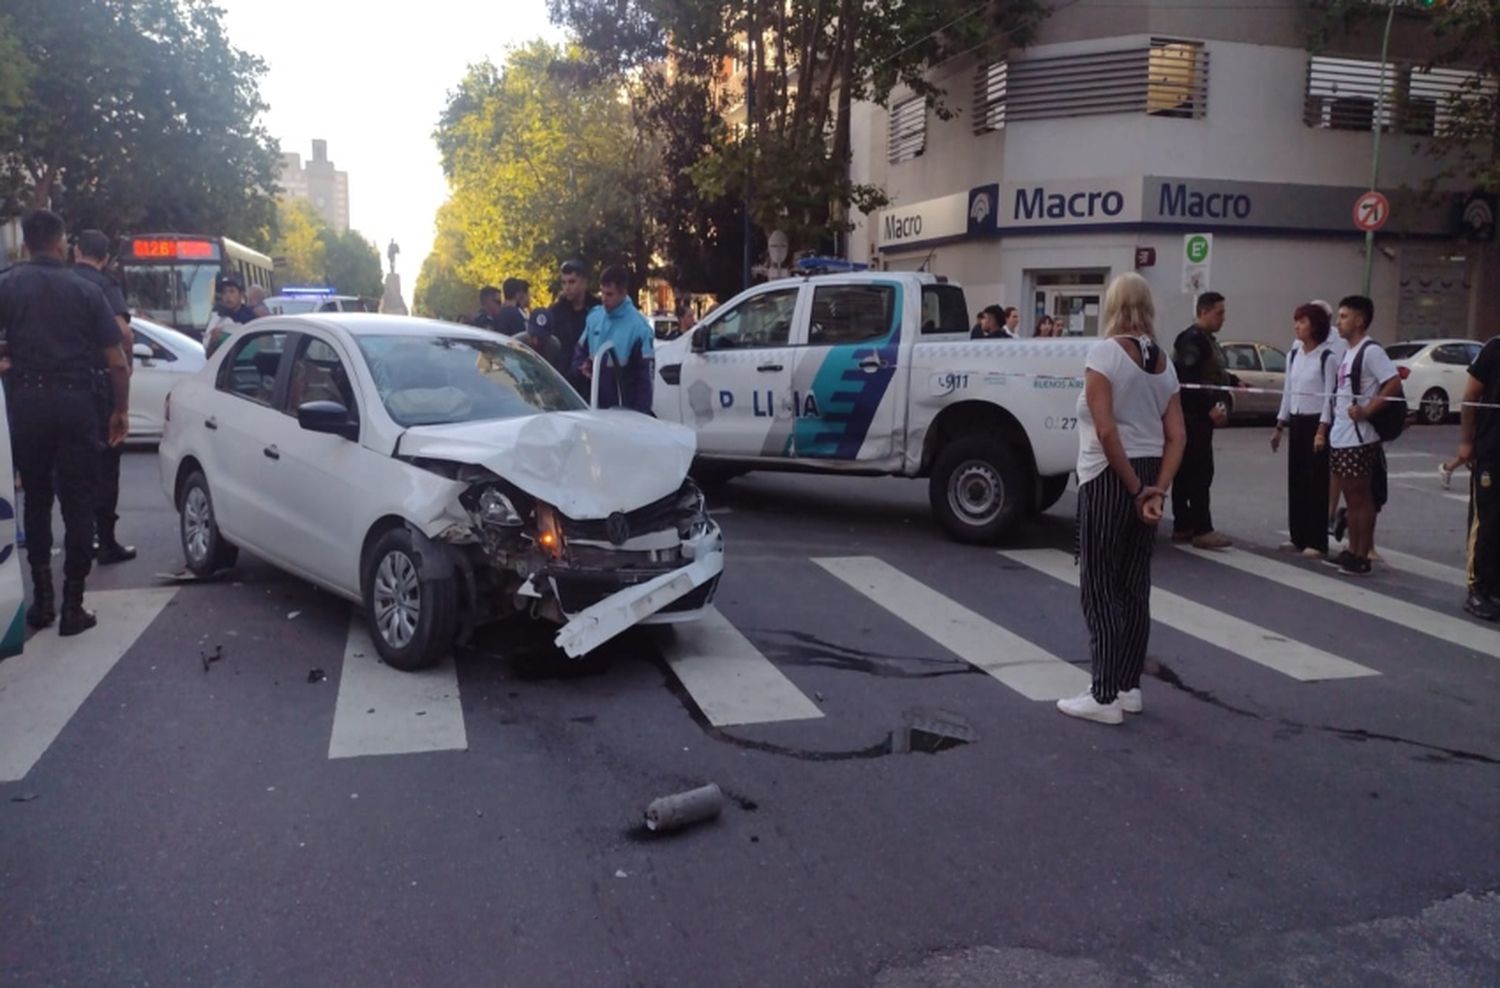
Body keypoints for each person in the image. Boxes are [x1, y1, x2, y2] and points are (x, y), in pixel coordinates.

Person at [1059, 272, 1185, 725]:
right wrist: (1157, 489)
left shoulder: (1105, 352)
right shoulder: (1163, 362)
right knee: (1134, 586)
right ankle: (1129, 686)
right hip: (1150, 471)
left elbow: (1106, 428)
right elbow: (1177, 436)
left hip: (1110, 476)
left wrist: (1134, 487)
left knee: (1099, 586)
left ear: (1112, 305)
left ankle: (1103, 693)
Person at [0, 210, 129, 636]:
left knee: (36, 499)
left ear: (25, 243)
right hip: (76, 403)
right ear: (61, 244)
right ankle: (74, 605)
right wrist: (119, 411)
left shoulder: (8, 285)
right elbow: (117, 362)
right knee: (78, 503)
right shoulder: (86, 290)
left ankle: (43, 601)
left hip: (28, 403)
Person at [71, 229, 138, 564]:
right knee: (106, 463)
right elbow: (123, 332)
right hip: (98, 386)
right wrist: (125, 364)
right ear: (105, 257)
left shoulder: (63, 281)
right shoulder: (105, 285)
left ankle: (80, 540)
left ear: (76, 251)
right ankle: (106, 540)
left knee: (69, 469)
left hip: (60, 387)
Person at [1326, 294, 1401, 578]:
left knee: (1360, 499)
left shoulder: (1370, 351)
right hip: (1344, 435)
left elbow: (1392, 383)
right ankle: (1352, 549)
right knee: (1352, 495)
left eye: (1344, 316)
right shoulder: (1350, 352)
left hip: (1359, 437)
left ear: (1359, 320)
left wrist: (1369, 409)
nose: (1339, 322)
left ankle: (1360, 554)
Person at [1270, 303, 1339, 559]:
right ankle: (1297, 535)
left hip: (1316, 423)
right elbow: (1289, 392)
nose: (1297, 326)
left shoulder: (1327, 357)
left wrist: (1322, 430)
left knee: (1316, 482)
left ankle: (1316, 539)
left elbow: (1328, 397)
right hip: (1297, 421)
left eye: (1303, 322)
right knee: (1297, 478)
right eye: (1296, 321)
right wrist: (1280, 425)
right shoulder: (1294, 355)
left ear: (1316, 326)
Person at [1172, 291, 1236, 549]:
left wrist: (1236, 382)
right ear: (1204, 311)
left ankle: (1184, 524)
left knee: (1187, 471)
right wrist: (1209, 407)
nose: (1223, 318)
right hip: (1193, 416)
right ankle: (1201, 528)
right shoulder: (1192, 340)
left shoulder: (1206, 340)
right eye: (1219, 312)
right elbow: (1188, 379)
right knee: (1198, 472)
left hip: (1196, 415)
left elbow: (1215, 373)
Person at [1450, 334, 1500, 620]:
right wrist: (1466, 443)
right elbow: (1470, 397)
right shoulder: (1494, 349)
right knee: (1487, 521)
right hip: (1491, 450)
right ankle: (1477, 588)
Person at [575, 265, 654, 414]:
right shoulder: (594, 318)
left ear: (623, 293)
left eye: (609, 294)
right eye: (602, 293)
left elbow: (645, 382)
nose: (604, 299)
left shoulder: (639, 328)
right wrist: (583, 367)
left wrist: (640, 418)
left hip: (624, 412)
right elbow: (578, 355)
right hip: (593, 407)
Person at [549, 260, 600, 382]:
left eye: (572, 282)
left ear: (584, 282)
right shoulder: (555, 312)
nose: (567, 287)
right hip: (563, 381)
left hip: (593, 381)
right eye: (563, 283)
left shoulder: (598, 310)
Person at [203, 274, 256, 355]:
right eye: (224, 292)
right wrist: (213, 341)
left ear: (241, 294)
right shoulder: (217, 318)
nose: (227, 296)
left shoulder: (251, 319)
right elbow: (208, 355)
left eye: (232, 291)